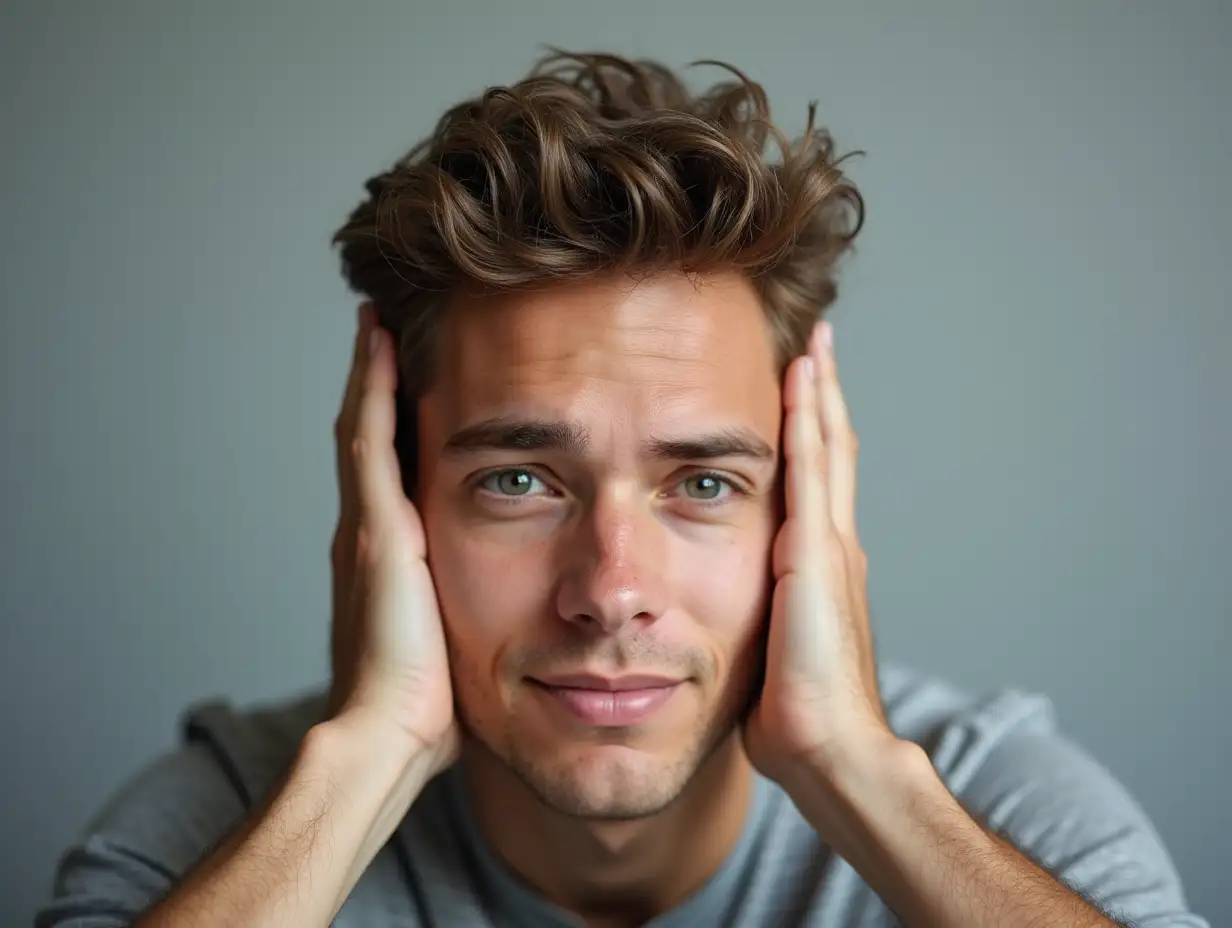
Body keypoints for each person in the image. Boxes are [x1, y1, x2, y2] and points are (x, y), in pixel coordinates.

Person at [37, 51, 1206, 928]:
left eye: (701, 480)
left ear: (804, 508)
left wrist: (858, 777)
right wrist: (369, 762)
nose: (609, 591)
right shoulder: (231, 821)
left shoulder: (999, 808)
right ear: (390, 514)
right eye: (516, 478)